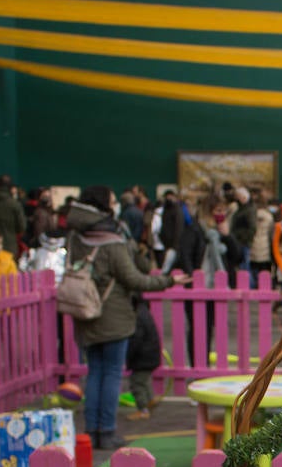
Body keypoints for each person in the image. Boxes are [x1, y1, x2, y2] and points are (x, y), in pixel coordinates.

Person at [64, 185, 189, 450]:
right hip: (113, 316)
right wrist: (168, 280)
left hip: (85, 311)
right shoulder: (111, 240)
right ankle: (106, 430)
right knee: (111, 374)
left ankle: (92, 431)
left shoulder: (75, 237)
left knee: (94, 371)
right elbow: (134, 278)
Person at [125, 292, 162, 421]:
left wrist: (128, 356)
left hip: (143, 357)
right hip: (150, 355)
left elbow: (136, 339)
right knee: (144, 381)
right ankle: (150, 400)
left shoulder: (137, 316)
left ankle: (143, 409)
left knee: (136, 384)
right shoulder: (144, 311)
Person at [229, 186, 257, 275]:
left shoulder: (249, 210)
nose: (236, 199)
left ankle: (249, 284)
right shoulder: (241, 209)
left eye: (238, 197)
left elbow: (252, 228)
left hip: (243, 242)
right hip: (240, 241)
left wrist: (241, 237)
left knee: (244, 266)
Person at [248, 189, 275, 280]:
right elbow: (272, 234)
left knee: (252, 274)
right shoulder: (269, 216)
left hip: (252, 248)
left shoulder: (251, 214)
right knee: (264, 277)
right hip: (265, 250)